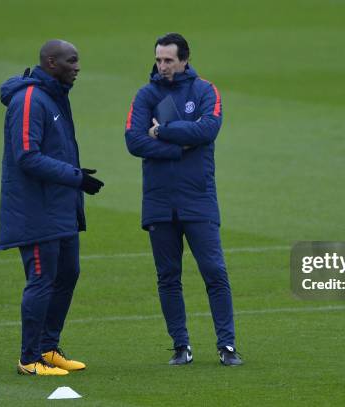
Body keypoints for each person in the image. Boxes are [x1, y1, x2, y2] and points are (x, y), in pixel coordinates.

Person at [124, 33, 242, 366]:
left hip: (198, 198)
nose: (162, 66)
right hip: (159, 201)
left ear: (185, 59)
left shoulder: (205, 90)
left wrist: (161, 131)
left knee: (214, 272)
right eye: (158, 60)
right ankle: (181, 345)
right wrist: (179, 145)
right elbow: (133, 141)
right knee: (168, 277)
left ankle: (227, 346)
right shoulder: (145, 95)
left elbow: (207, 131)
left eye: (168, 60)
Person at [0, 39, 104, 376]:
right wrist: (75, 177)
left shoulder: (53, 96)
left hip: (60, 208)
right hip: (37, 210)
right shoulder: (29, 100)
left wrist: (74, 179)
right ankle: (29, 359)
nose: (77, 67)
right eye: (71, 61)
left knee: (68, 273)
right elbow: (26, 156)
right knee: (42, 280)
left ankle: (47, 346)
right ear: (50, 62)